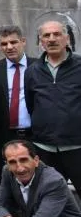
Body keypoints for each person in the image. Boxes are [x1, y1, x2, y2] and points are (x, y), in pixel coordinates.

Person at [24, 20, 81, 191]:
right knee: (48, 196)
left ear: (67, 39)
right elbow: (31, 105)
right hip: (45, 148)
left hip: (77, 146)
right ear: (41, 41)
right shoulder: (32, 71)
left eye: (57, 34)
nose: (51, 39)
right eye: (46, 35)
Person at [0, 26, 36, 178]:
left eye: (13, 42)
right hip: (5, 136)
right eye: (4, 44)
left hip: (35, 135)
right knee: (8, 179)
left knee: (38, 179)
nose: (9, 47)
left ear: (23, 41)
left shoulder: (39, 66)